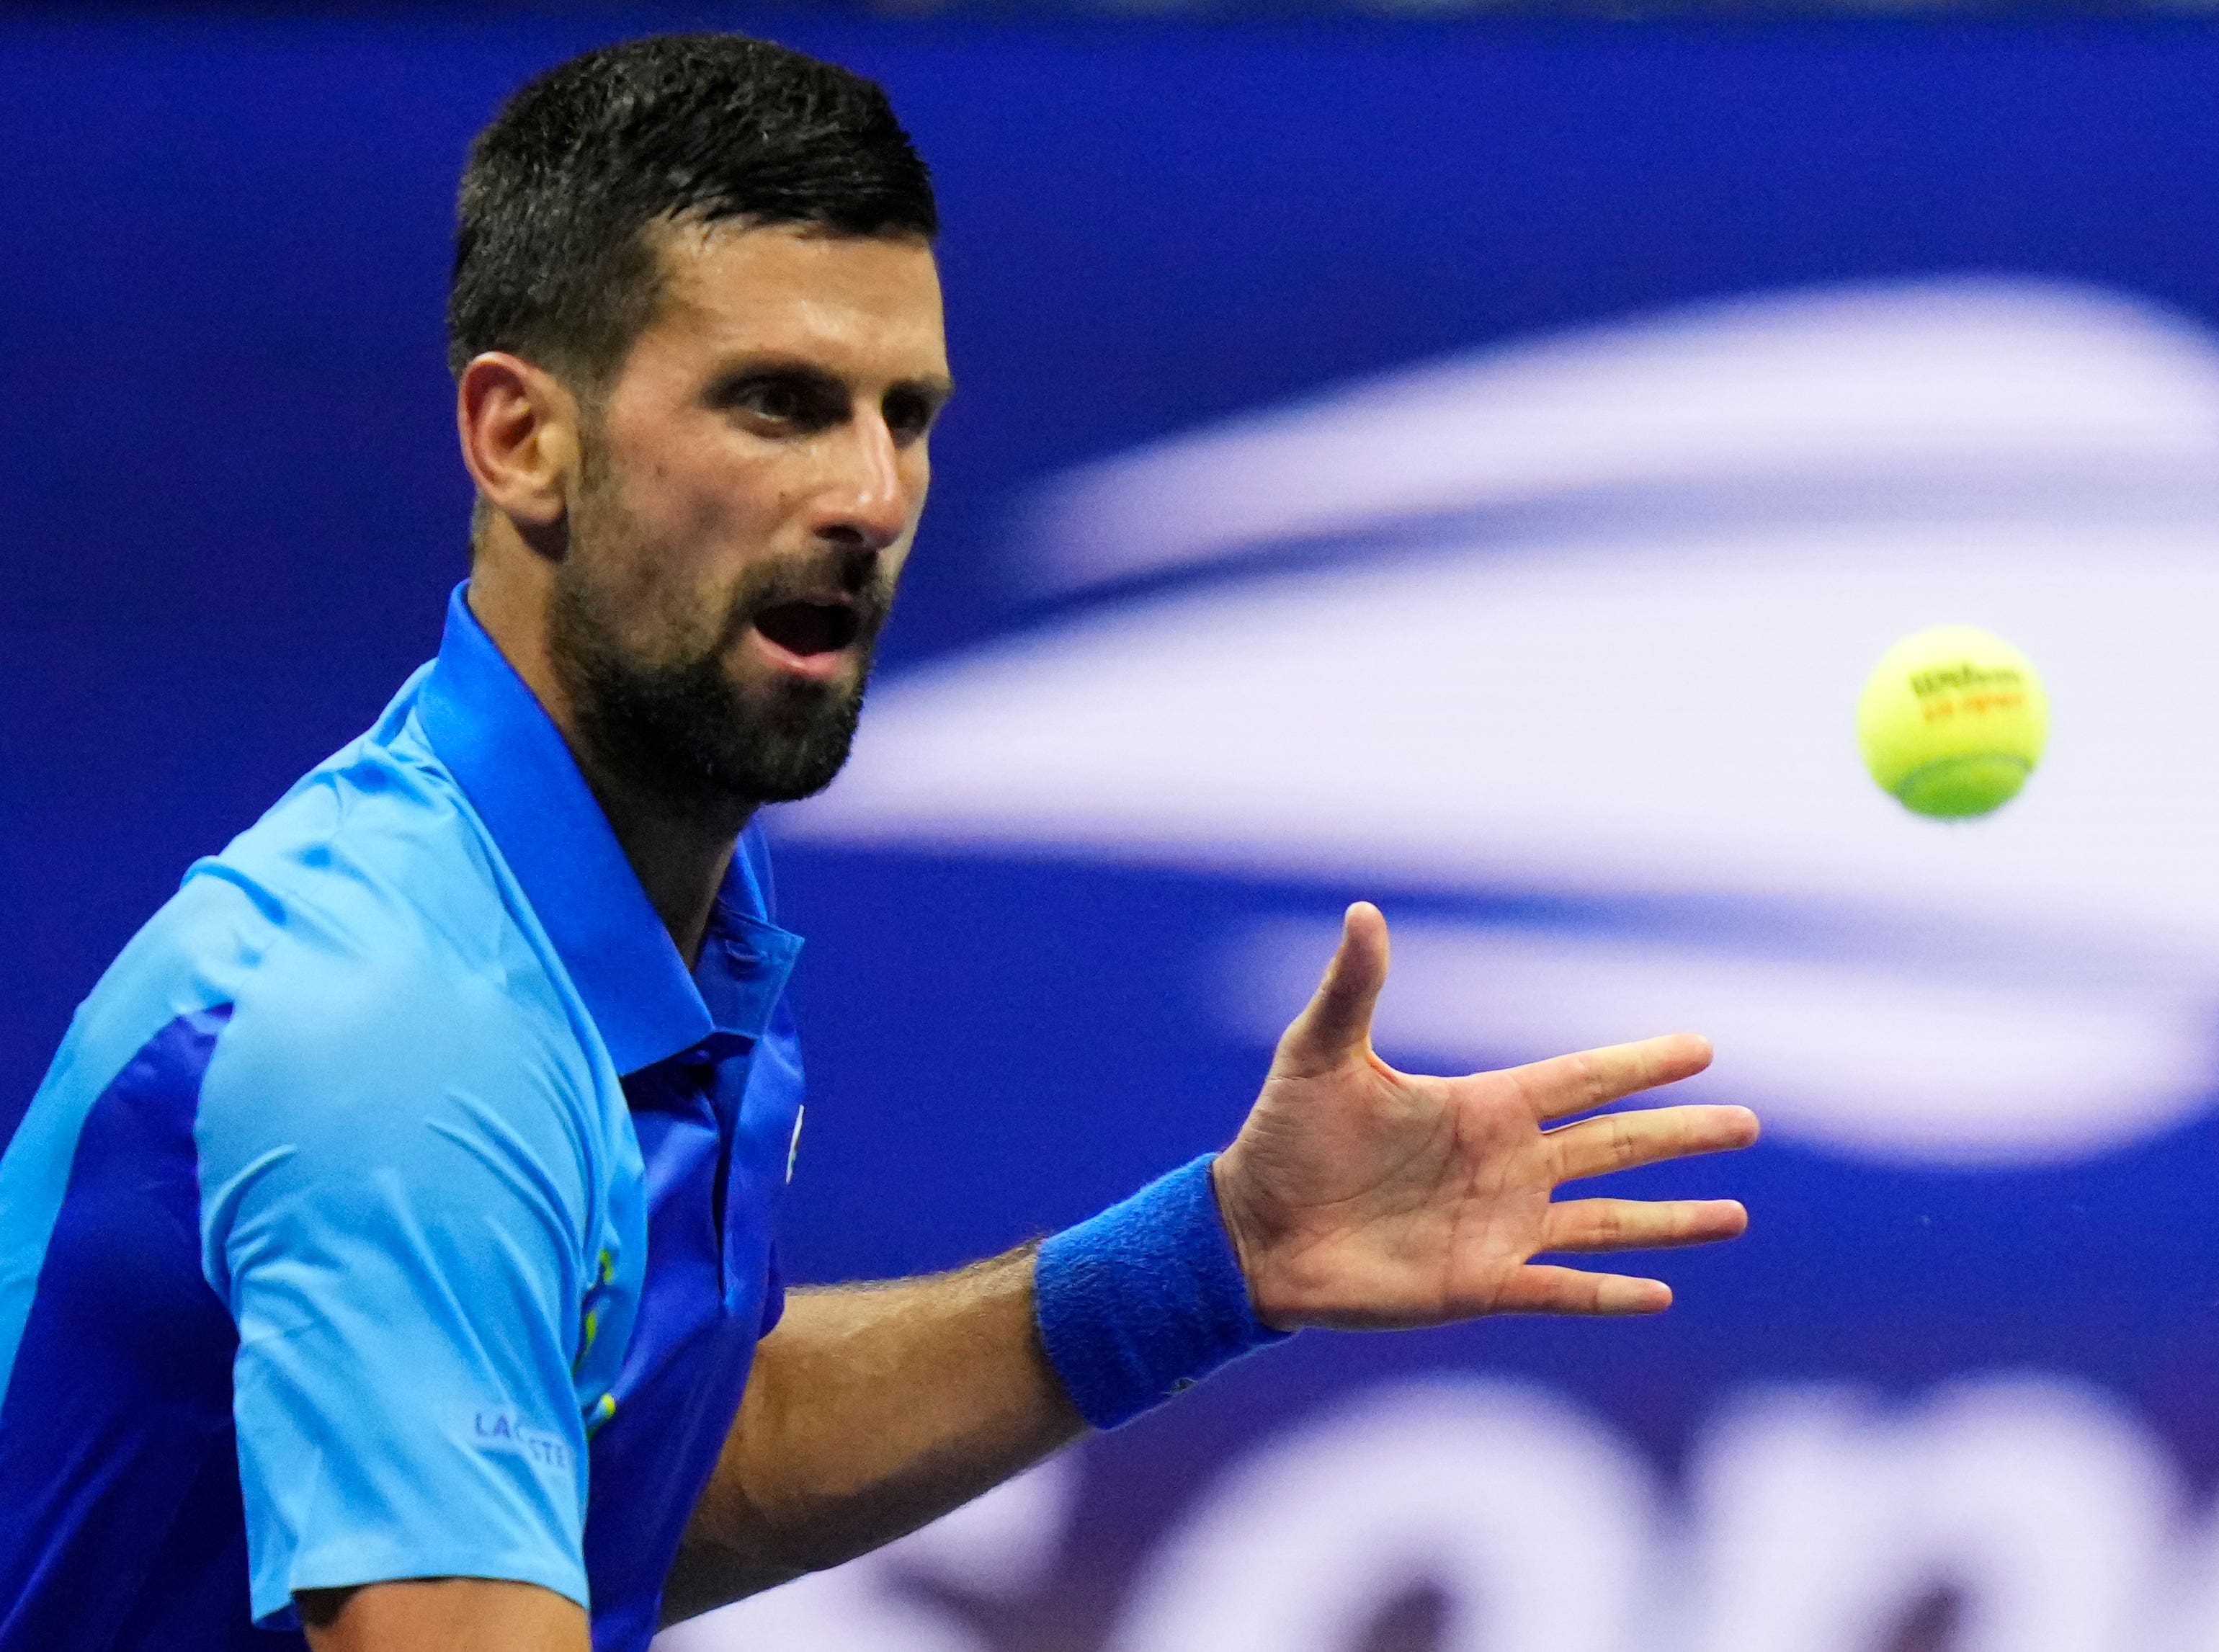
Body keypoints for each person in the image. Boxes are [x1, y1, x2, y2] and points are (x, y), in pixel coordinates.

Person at [0, 32, 1758, 1652]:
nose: (868, 495)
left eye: (901, 414)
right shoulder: (396, 1033)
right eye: (777, 401)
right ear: (520, 439)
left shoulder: (647, 895)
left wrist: (1210, 1261)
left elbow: (658, 1468)